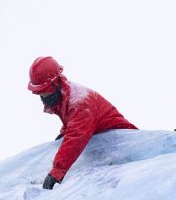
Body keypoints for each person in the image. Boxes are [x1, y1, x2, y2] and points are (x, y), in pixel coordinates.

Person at [28, 57, 137, 189]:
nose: (42, 96)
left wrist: (57, 171)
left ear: (55, 84)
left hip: (126, 153)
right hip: (108, 154)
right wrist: (63, 134)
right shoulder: (66, 98)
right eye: (39, 93)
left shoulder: (80, 103)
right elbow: (72, 123)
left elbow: (76, 136)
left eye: (44, 91)